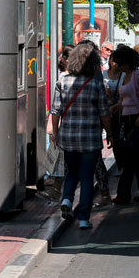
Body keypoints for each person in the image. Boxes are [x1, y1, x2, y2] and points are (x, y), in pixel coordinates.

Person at [51, 42, 115, 229]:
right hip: (90, 138)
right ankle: (84, 219)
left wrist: (56, 133)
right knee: (87, 177)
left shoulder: (62, 82)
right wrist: (110, 134)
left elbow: (55, 111)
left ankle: (66, 200)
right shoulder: (96, 84)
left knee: (72, 172)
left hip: (68, 137)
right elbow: (104, 113)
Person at [110, 45, 139, 204]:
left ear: (127, 62)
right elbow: (124, 99)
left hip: (136, 118)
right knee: (137, 157)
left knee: (130, 157)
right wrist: (117, 107)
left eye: (119, 63)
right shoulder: (125, 76)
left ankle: (124, 194)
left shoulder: (138, 75)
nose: (117, 66)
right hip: (126, 119)